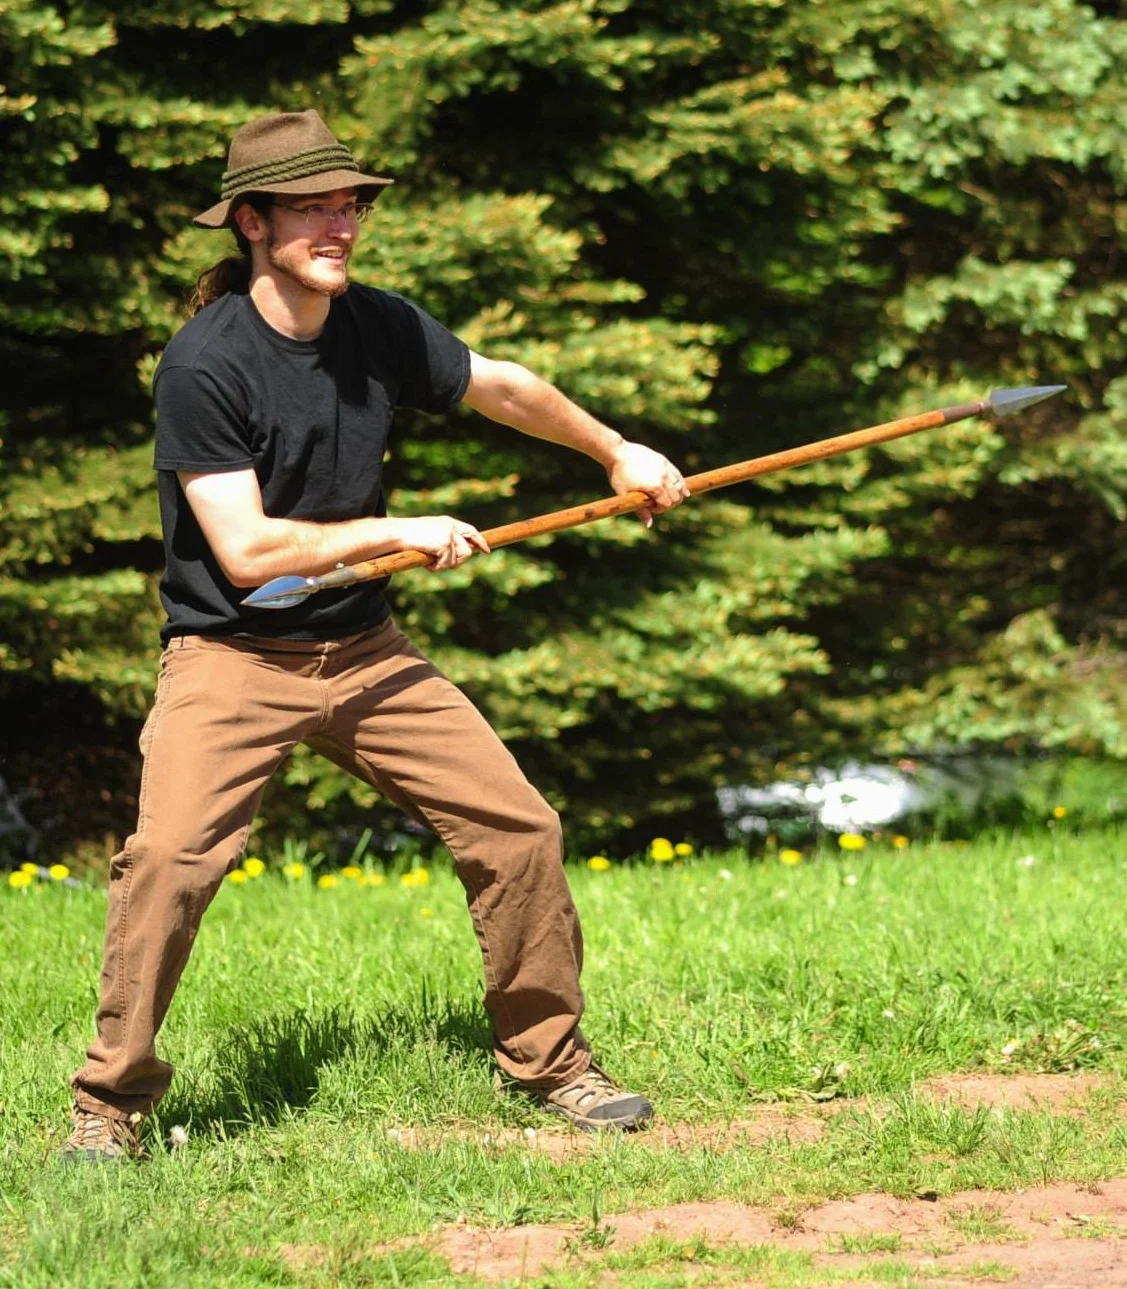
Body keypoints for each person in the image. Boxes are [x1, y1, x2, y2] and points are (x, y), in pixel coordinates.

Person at [64, 110, 690, 1161]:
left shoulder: (376, 326)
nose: (340, 223)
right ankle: (109, 1108)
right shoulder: (203, 366)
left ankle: (552, 1064)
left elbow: (497, 384)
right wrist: (394, 527)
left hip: (364, 650)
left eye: (348, 202)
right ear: (252, 224)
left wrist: (612, 448)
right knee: (169, 858)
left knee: (517, 828)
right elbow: (249, 550)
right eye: (313, 206)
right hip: (233, 659)